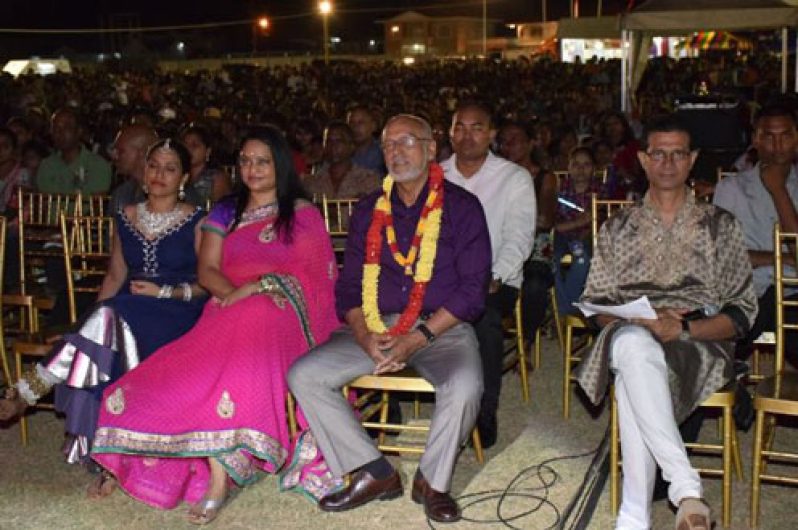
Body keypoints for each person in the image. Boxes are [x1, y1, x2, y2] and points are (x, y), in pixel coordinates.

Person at [91, 126, 341, 524]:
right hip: (227, 307)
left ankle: (219, 481)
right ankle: (213, 466)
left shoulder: (302, 213)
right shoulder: (225, 211)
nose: (252, 168)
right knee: (172, 375)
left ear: (279, 163)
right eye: (245, 160)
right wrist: (234, 294)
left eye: (262, 161)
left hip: (282, 312)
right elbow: (207, 270)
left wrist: (260, 288)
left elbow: (316, 276)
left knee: (255, 314)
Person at [288, 114, 491, 523]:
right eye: (388, 145)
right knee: (304, 374)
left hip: (440, 328)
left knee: (467, 383)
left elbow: (473, 290)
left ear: (432, 148)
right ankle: (374, 471)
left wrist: (416, 338)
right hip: (375, 327)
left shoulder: (463, 207)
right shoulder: (368, 210)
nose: (396, 152)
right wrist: (363, 334)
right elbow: (347, 287)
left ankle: (432, 483)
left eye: (407, 141)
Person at [574, 115, 757, 530]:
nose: (669, 163)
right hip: (632, 330)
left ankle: (634, 513)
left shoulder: (720, 226)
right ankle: (686, 489)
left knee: (630, 366)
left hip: (699, 343)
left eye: (678, 154)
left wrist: (683, 329)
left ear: (693, 160)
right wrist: (640, 317)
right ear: (643, 159)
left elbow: (743, 311)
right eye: (659, 153)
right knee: (633, 343)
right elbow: (596, 304)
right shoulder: (617, 227)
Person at [0, 138, 207, 473]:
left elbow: (207, 283)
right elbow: (114, 276)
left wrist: (164, 293)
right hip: (126, 307)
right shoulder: (125, 216)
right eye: (153, 166)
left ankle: (27, 389)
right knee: (104, 326)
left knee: (109, 320)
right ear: (143, 171)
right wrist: (85, 325)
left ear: (183, 179)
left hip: (177, 309)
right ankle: (102, 449)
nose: (159, 174)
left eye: (170, 169)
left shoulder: (198, 221)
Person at [441, 102, 536, 449]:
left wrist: (492, 275)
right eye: (460, 128)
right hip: (442, 281)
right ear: (450, 134)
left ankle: (484, 409)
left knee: (484, 318)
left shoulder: (514, 177)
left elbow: (519, 237)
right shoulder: (436, 175)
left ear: (492, 134)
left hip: (497, 278)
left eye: (476, 127)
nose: (467, 136)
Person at [713, 103, 798, 368]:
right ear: (756, 140)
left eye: (785, 135)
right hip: (748, 293)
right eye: (769, 136)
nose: (777, 145)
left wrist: (778, 191)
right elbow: (725, 254)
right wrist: (781, 258)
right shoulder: (731, 188)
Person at [498, 120, 557, 350]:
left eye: (515, 140)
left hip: (534, 251)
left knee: (533, 285)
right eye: (504, 141)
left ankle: (526, 343)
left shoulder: (545, 178)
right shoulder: (496, 176)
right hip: (499, 248)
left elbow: (545, 220)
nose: (508, 145)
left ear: (531, 144)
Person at [553, 146, 605, 316]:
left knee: (583, 260)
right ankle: (567, 310)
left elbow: (600, 222)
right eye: (576, 164)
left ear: (594, 168)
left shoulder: (601, 192)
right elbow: (554, 225)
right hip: (559, 237)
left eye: (586, 164)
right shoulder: (558, 189)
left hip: (587, 237)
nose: (581, 169)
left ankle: (565, 311)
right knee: (551, 262)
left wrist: (583, 224)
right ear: (568, 167)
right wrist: (580, 221)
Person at [36, 108, 112, 195]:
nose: (60, 133)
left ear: (79, 131)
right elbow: (45, 202)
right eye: (56, 128)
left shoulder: (98, 165)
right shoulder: (46, 166)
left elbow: (94, 204)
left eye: (66, 128)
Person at [303, 121, 380, 199]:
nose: (333, 145)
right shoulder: (311, 183)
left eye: (339, 141)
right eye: (329, 141)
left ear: (352, 146)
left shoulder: (368, 180)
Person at [180, 124, 232, 204]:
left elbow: (221, 212)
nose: (188, 149)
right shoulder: (178, 175)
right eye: (185, 145)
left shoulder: (217, 178)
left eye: (194, 145)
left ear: (207, 151)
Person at [347, 105, 386, 177]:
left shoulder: (383, 153)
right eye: (352, 123)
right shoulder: (343, 154)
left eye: (361, 123)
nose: (355, 127)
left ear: (373, 126)